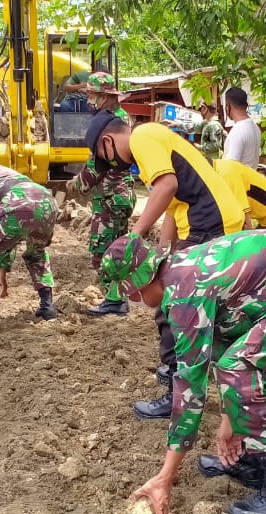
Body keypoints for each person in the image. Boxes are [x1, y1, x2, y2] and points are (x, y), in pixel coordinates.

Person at [99, 230, 266, 514]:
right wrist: (231, 419)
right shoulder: (182, 269)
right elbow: (228, 343)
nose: (135, 300)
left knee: (238, 368)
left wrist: (164, 478)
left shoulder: (186, 293)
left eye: (131, 293)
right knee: (236, 363)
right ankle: (253, 460)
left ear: (137, 284)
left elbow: (190, 391)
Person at [89, 114, 245, 419]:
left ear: (107, 141)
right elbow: (173, 203)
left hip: (210, 222)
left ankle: (177, 392)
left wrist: (134, 237)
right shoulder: (153, 143)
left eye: (103, 157)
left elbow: (167, 185)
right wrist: (164, 251)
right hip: (207, 221)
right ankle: (189, 374)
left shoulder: (142, 137)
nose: (111, 164)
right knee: (183, 300)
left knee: (171, 304)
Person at [68, 71, 135, 316]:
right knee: (114, 247)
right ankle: (116, 298)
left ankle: (115, 301)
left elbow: (98, 165)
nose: (88, 101)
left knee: (103, 251)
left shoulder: (111, 123)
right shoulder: (119, 117)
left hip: (111, 196)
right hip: (115, 195)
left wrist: (77, 184)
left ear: (105, 97)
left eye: (92, 95)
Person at [0, 162, 58, 320]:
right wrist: (2, 269)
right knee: (36, 253)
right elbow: (14, 235)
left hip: (16, 203)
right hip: (46, 200)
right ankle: (47, 306)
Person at [221, 87, 261, 169]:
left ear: (228, 106)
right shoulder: (255, 127)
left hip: (237, 181)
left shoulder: (238, 131)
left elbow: (231, 166)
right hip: (250, 178)